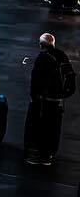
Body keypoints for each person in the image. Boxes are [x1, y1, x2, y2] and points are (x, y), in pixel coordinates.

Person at [23, 32, 73, 167]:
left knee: (41, 125)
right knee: (54, 126)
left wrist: (34, 97)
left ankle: (40, 155)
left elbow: (36, 80)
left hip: (45, 99)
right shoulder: (62, 55)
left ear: (41, 45)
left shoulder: (42, 58)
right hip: (58, 99)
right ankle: (50, 152)